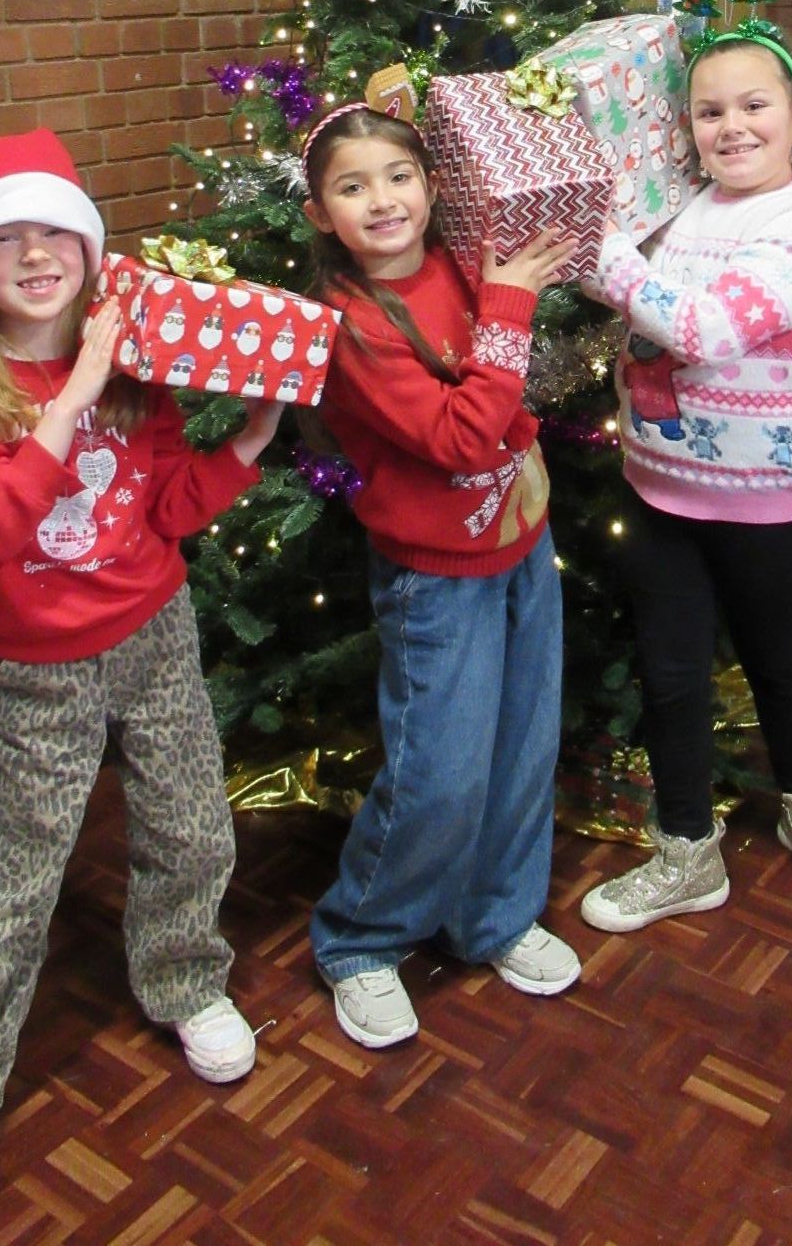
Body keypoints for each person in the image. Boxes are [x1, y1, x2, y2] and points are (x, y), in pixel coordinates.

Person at [0, 131, 283, 1245]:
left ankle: (184, 978)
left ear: (89, 246)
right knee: (9, 884)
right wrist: (73, 399)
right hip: (37, 662)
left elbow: (158, 511)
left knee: (193, 825)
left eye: (53, 228)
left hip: (153, 628)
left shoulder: (135, 369)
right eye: (4, 236)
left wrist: (245, 444)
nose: (34, 251)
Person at [578, 16, 792, 931]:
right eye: (708, 111)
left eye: (754, 105)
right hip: (658, 490)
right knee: (671, 676)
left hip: (764, 506)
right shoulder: (678, 213)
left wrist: (601, 258)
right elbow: (645, 325)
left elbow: (708, 329)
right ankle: (686, 855)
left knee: (777, 664)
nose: (730, 126)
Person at [301, 104, 581, 1049]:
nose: (382, 200)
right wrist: (507, 307)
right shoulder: (352, 327)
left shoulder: (462, 260)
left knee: (521, 745)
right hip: (436, 576)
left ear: (430, 184)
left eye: (398, 175)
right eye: (352, 186)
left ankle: (494, 918)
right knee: (439, 772)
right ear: (319, 214)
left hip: (522, 543)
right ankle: (360, 938)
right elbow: (463, 440)